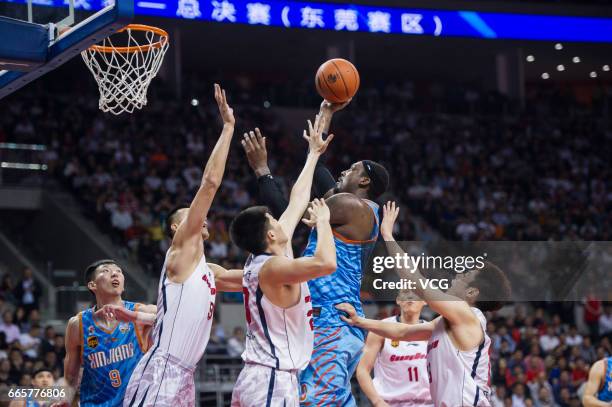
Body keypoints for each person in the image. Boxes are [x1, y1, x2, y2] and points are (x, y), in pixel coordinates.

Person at [242, 99, 389, 405]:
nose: (341, 172)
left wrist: (262, 172)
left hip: (331, 325)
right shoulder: (346, 208)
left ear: (363, 181)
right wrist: (326, 113)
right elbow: (317, 164)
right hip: (333, 324)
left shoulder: (350, 206)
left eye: (350, 169)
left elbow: (287, 215)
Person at [123, 84, 243, 407]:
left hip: (185, 373)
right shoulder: (181, 248)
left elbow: (252, 278)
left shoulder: (208, 269)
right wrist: (229, 128)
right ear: (178, 227)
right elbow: (210, 183)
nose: (201, 217)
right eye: (191, 214)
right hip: (163, 367)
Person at [337, 202, 511, 407]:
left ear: (472, 292)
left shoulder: (468, 314)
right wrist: (360, 321)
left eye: (465, 275)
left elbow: (418, 283)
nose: (457, 275)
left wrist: (388, 236)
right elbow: (403, 332)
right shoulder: (448, 322)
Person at [230, 117, 337, 406]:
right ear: (270, 234)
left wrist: (313, 153)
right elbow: (326, 262)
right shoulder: (273, 267)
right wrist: (324, 222)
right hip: (270, 379)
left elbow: (297, 201)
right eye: (272, 220)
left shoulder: (268, 256)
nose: (279, 220)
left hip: (263, 377)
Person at [58, 260, 156, 407]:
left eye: (118, 271)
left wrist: (134, 316)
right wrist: (64, 399)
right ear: (92, 285)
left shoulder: (139, 312)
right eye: (106, 271)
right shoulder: (77, 324)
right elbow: (70, 377)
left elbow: (172, 316)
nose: (115, 273)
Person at [355, 290, 432, 407]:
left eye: (416, 293)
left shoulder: (432, 330)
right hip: (390, 404)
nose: (410, 297)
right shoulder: (380, 328)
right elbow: (362, 370)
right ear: (398, 300)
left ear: (425, 301)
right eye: (405, 293)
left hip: (428, 404)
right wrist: (377, 401)